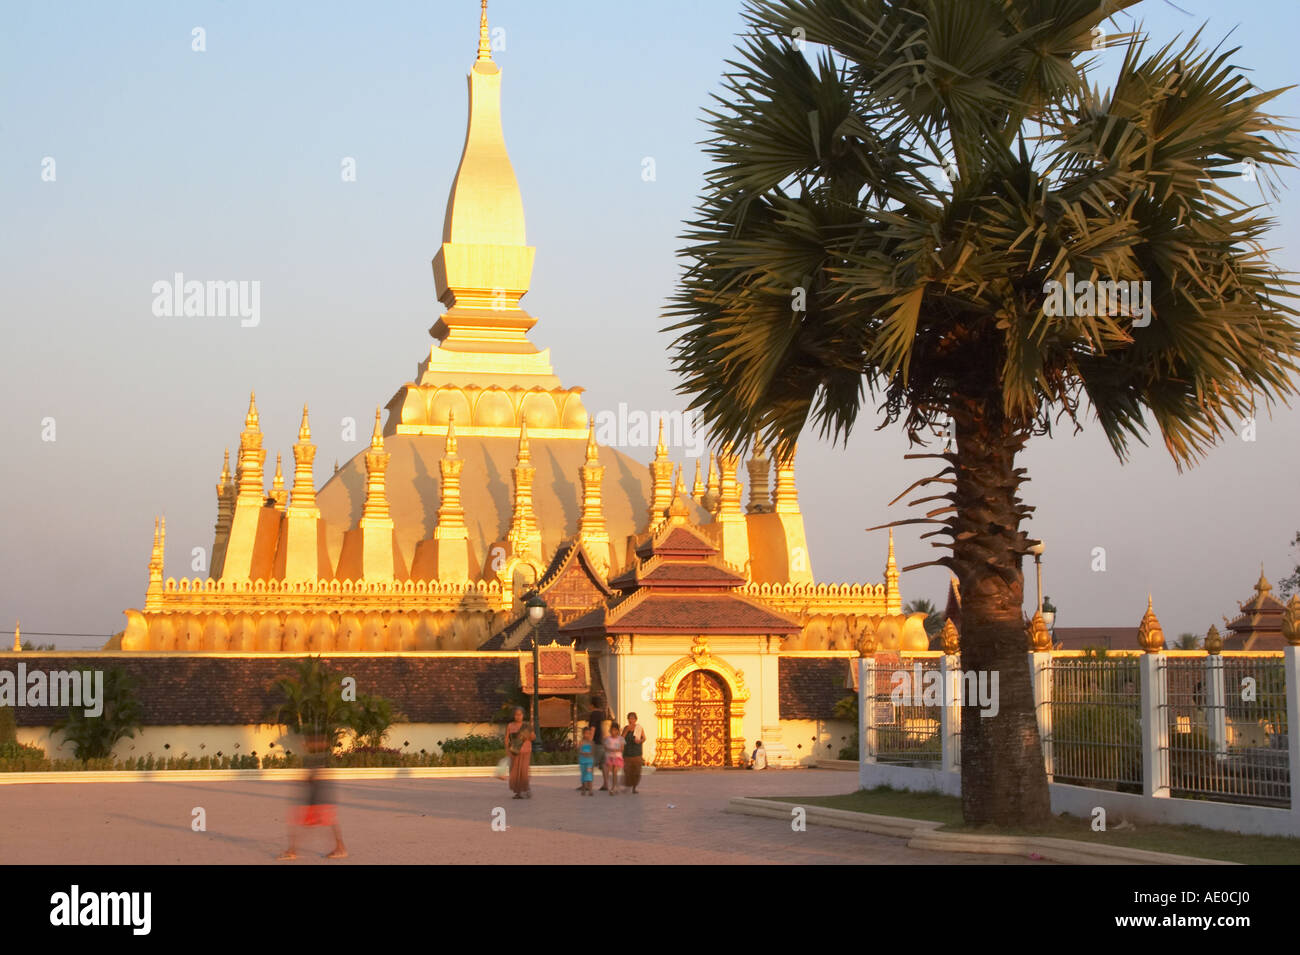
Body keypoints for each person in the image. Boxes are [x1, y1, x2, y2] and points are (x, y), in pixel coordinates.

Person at [279, 735, 346, 860]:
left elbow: (313, 776)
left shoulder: (318, 757)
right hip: (316, 797)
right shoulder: (316, 757)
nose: (303, 745)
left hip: (318, 798)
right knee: (326, 823)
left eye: (307, 743)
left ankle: (292, 851)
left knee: (298, 822)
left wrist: (301, 780)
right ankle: (340, 848)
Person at [505, 707, 535, 799]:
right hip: (514, 751)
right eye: (516, 714)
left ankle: (526, 789)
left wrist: (527, 735)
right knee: (514, 772)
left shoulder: (527, 726)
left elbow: (533, 737)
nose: (518, 716)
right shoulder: (510, 725)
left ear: (523, 715)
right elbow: (506, 739)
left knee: (523, 771)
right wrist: (507, 750)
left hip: (526, 751)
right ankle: (518, 792)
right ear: (514, 715)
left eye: (520, 714)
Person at [586, 696, 611, 790]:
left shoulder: (594, 714)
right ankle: (606, 784)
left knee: (589, 764)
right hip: (604, 743)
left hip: (596, 743)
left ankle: (588, 785)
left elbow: (593, 728)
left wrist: (589, 742)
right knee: (604, 764)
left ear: (592, 705)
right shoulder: (603, 714)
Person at [622, 712, 646, 794]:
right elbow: (621, 739)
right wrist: (627, 730)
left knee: (636, 771)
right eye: (629, 718)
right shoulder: (626, 728)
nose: (631, 720)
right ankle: (628, 786)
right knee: (628, 771)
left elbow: (644, 738)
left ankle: (634, 788)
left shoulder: (639, 728)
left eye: (632, 718)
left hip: (637, 753)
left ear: (636, 719)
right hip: (628, 753)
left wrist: (640, 741)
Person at [603, 721, 625, 794]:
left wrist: (615, 750)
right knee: (608, 772)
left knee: (615, 771)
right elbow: (605, 747)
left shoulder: (620, 739)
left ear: (618, 731)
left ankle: (614, 787)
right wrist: (609, 749)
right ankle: (613, 785)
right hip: (610, 758)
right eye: (612, 730)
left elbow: (622, 749)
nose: (613, 732)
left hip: (617, 758)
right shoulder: (608, 739)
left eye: (615, 730)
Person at [577, 725, 596, 796]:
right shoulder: (581, 742)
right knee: (583, 775)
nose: (587, 735)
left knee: (589, 775)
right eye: (586, 733)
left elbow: (593, 752)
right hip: (582, 761)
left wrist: (589, 754)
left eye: (589, 733)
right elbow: (579, 751)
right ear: (583, 734)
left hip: (589, 762)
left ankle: (590, 790)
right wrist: (583, 753)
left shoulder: (591, 743)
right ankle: (583, 789)